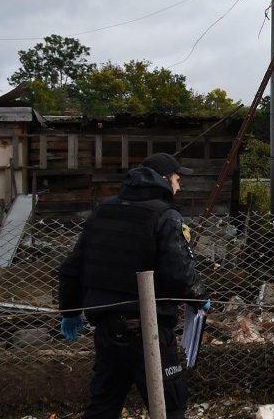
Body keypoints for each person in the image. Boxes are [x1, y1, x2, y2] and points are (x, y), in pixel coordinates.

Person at [58, 152, 210, 419]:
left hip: (106, 330)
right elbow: (178, 274)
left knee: (104, 404)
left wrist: (70, 311)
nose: (178, 187)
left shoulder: (103, 210)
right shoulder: (166, 216)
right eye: (177, 180)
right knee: (170, 404)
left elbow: (72, 267)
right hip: (147, 330)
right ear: (163, 180)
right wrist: (199, 297)